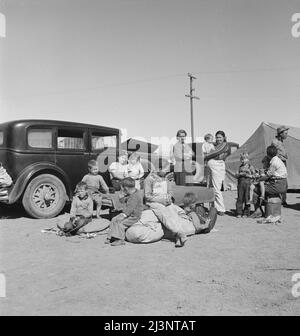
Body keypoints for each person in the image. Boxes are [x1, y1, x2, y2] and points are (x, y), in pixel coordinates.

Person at [144, 157, 190, 247]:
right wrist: (161, 200)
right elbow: (147, 196)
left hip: (166, 201)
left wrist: (168, 198)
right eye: (165, 170)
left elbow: (170, 191)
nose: (166, 172)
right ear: (159, 169)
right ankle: (180, 233)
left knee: (173, 212)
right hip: (154, 202)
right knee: (164, 214)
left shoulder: (165, 179)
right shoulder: (149, 179)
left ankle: (178, 237)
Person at [250, 145, 288, 218]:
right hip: (282, 184)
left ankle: (257, 211)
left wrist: (257, 180)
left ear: (268, 155)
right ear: (276, 153)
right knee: (262, 186)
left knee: (255, 189)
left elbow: (268, 176)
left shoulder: (274, 162)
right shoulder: (278, 160)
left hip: (277, 185)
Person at [105, 177, 143, 246]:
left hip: (133, 216)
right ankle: (111, 236)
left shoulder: (135, 196)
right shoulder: (131, 194)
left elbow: (130, 209)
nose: (121, 190)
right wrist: (122, 198)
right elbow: (124, 200)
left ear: (126, 188)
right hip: (128, 214)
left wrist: (123, 215)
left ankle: (120, 239)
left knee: (121, 224)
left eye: (121, 188)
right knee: (114, 219)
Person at [204, 130, 231, 216]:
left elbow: (215, 152)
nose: (218, 139)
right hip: (212, 166)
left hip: (218, 167)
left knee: (216, 188)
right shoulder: (215, 145)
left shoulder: (225, 145)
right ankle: (213, 207)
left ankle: (221, 209)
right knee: (210, 187)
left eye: (220, 137)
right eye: (217, 137)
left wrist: (206, 156)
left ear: (224, 138)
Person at [271, 125, 289, 206]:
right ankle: (278, 200)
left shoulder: (281, 142)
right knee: (279, 181)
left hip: (283, 163)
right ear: (280, 134)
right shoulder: (275, 142)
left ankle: (283, 200)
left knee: (284, 181)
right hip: (278, 164)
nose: (287, 135)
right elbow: (273, 153)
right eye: (285, 133)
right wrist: (282, 157)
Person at [235, 152, 256, 218]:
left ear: (248, 159)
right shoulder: (240, 167)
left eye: (244, 159)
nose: (243, 160)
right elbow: (236, 175)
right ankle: (239, 212)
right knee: (240, 198)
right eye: (241, 159)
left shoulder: (250, 167)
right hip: (240, 184)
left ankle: (246, 213)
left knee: (247, 198)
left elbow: (254, 175)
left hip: (248, 184)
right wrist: (238, 174)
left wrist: (247, 175)